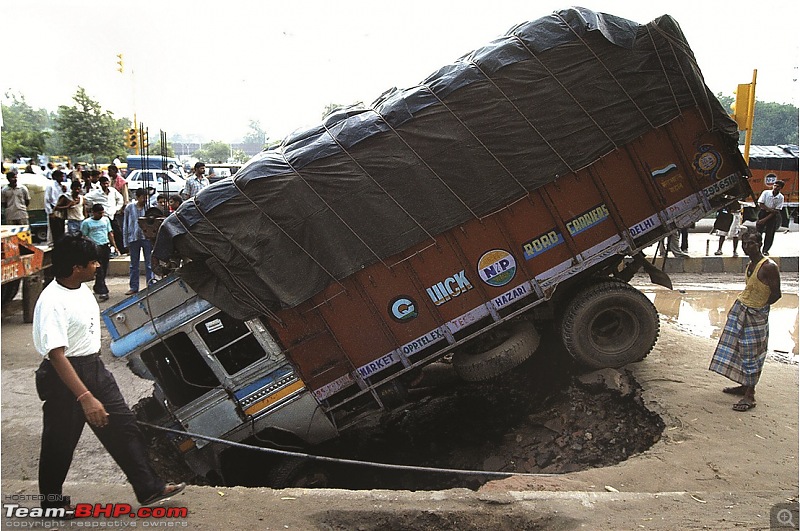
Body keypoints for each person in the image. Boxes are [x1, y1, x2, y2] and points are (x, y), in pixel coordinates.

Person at [32, 234, 185, 512]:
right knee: (60, 443)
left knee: (124, 427)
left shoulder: (80, 288)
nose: (98, 267)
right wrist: (85, 397)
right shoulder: (51, 301)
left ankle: (148, 488)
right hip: (63, 376)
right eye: (92, 262)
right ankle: (50, 502)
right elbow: (56, 355)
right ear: (76, 267)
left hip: (93, 367)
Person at [709, 228, 781, 412]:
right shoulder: (750, 264)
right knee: (737, 348)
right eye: (744, 243)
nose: (747, 247)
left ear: (760, 245)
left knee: (752, 353)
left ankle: (750, 395)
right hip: (742, 309)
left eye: (751, 244)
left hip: (755, 314)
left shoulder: (769, 267)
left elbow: (776, 295)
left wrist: (758, 309)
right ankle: (744, 384)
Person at [80, 204, 117, 302]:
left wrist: (115, 246)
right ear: (93, 213)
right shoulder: (86, 223)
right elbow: (83, 236)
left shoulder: (105, 220)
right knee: (99, 269)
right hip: (95, 247)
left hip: (105, 245)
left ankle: (98, 286)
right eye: (99, 213)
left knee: (104, 268)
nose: (101, 215)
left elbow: (110, 233)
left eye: (102, 213)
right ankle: (103, 291)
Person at [123, 189, 155, 295]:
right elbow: (125, 224)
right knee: (133, 264)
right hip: (133, 238)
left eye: (146, 197)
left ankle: (151, 285)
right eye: (143, 197)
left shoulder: (150, 207)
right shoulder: (129, 207)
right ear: (137, 197)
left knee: (149, 263)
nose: (145, 199)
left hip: (147, 238)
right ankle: (133, 287)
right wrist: (126, 241)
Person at [756, 180, 784, 255]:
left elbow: (776, 211)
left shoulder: (780, 197)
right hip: (763, 213)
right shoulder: (766, 193)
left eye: (777, 186)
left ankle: (765, 250)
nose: (775, 187)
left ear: (781, 188)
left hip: (772, 216)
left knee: (770, 234)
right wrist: (770, 210)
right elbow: (761, 204)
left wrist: (765, 219)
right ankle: (757, 249)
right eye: (774, 185)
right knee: (758, 233)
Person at [45, 170, 69, 245]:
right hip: (53, 209)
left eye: (63, 176)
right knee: (54, 229)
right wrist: (50, 212)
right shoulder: (50, 186)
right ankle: (54, 244)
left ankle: (61, 244)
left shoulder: (62, 186)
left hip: (62, 209)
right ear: (55, 177)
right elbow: (47, 199)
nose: (62, 178)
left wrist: (64, 191)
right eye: (60, 176)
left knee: (61, 228)